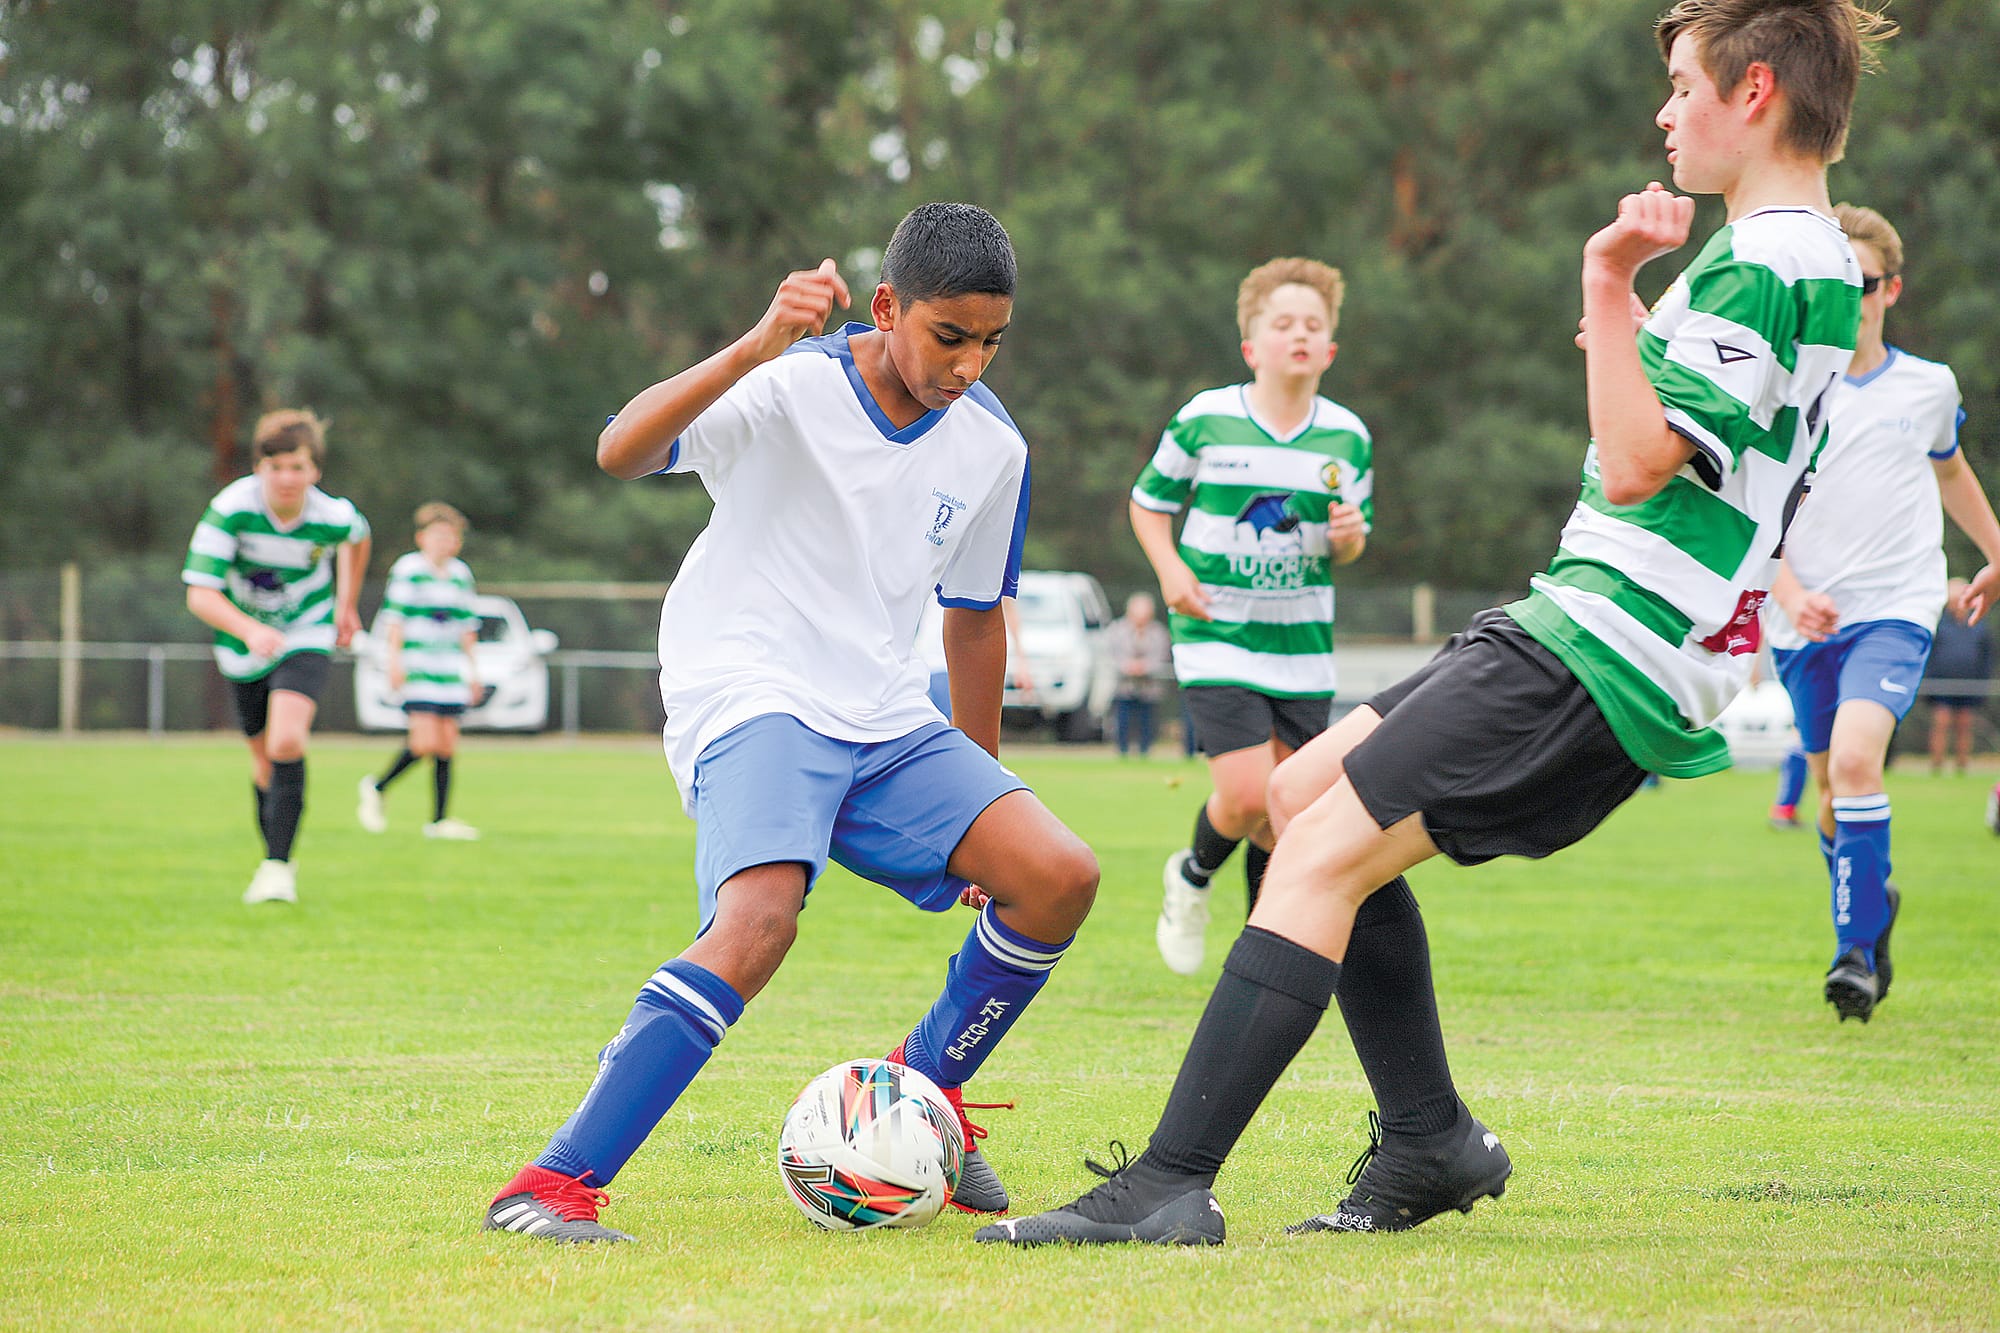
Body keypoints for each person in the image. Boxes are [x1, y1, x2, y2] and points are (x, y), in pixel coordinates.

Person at [978, 0, 1889, 1248]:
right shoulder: (1801, 260)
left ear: (1755, 90)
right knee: (1292, 797)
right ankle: (1427, 1139)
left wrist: (1606, 281)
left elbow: (1636, 463)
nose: (1663, 112)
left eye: (1682, 85)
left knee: (1310, 853)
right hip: (1583, 618)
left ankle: (1168, 1184)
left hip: (1610, 645)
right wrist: (1629, 329)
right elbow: (1699, 443)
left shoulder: (1766, 258)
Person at [483, 203, 1099, 1244]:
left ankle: (919, 1093)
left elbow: (973, 620)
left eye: (992, 342)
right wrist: (755, 343)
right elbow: (620, 450)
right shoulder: (787, 383)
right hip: (751, 685)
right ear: (886, 306)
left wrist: (986, 797)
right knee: (760, 920)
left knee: (1056, 874)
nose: (968, 365)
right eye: (949, 335)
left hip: (883, 709)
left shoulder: (995, 446)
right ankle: (550, 1185)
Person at [1766, 203, 2000, 1021]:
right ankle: (1873, 901)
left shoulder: (1928, 385)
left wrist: (1996, 547)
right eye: (1832, 284)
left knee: (1859, 762)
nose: (1848, 298)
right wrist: (1790, 593)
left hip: (1896, 607)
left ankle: (1855, 953)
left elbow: (1951, 471)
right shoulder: (1785, 388)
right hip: (1803, 620)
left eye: (1861, 284)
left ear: (1890, 289)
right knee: (1832, 791)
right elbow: (1754, 512)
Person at [1133, 257, 1372, 975]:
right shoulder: (1205, 419)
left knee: (1284, 815)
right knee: (1244, 797)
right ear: (1251, 347)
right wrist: (1171, 571)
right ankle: (1191, 876)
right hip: (1216, 632)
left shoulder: (1348, 437)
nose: (1299, 334)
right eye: (1284, 323)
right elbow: (1148, 503)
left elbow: (1350, 544)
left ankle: (1259, 961)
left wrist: (1349, 536)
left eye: (1313, 325)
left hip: (1301, 647)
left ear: (1330, 349)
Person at [181, 409, 371, 905]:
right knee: (263, 760)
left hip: (307, 630)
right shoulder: (231, 509)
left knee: (287, 740)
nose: (287, 478)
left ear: (315, 471)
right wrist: (249, 630)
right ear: (258, 468)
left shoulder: (331, 516)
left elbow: (358, 537)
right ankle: (272, 858)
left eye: (297, 467)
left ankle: (278, 868)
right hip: (242, 642)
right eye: (276, 467)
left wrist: (346, 604)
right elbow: (200, 594)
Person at [356, 502, 484, 840]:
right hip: (418, 666)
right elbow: (394, 620)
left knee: (446, 745)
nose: (445, 542)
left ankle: (439, 820)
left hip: (449, 669)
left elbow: (467, 627)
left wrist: (473, 671)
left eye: (451, 537)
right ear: (422, 538)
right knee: (424, 742)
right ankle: (377, 786)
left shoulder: (460, 574)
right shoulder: (409, 569)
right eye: (438, 535)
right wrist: (394, 662)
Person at [1924, 578, 1993, 776]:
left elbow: (1986, 656)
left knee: (1964, 726)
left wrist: (1982, 683)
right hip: (1941, 684)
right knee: (1941, 724)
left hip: (1969, 684)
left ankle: (1962, 766)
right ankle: (1936, 766)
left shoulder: (1979, 624)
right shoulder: (1939, 624)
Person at [1106, 591, 1174, 757]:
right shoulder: (1116, 630)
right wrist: (1127, 666)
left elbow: (1162, 656)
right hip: (1124, 685)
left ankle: (1145, 750)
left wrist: (1145, 667)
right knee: (1122, 720)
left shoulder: (1159, 632)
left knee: (1147, 721)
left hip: (1149, 686)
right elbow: (1109, 655)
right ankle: (1122, 750)